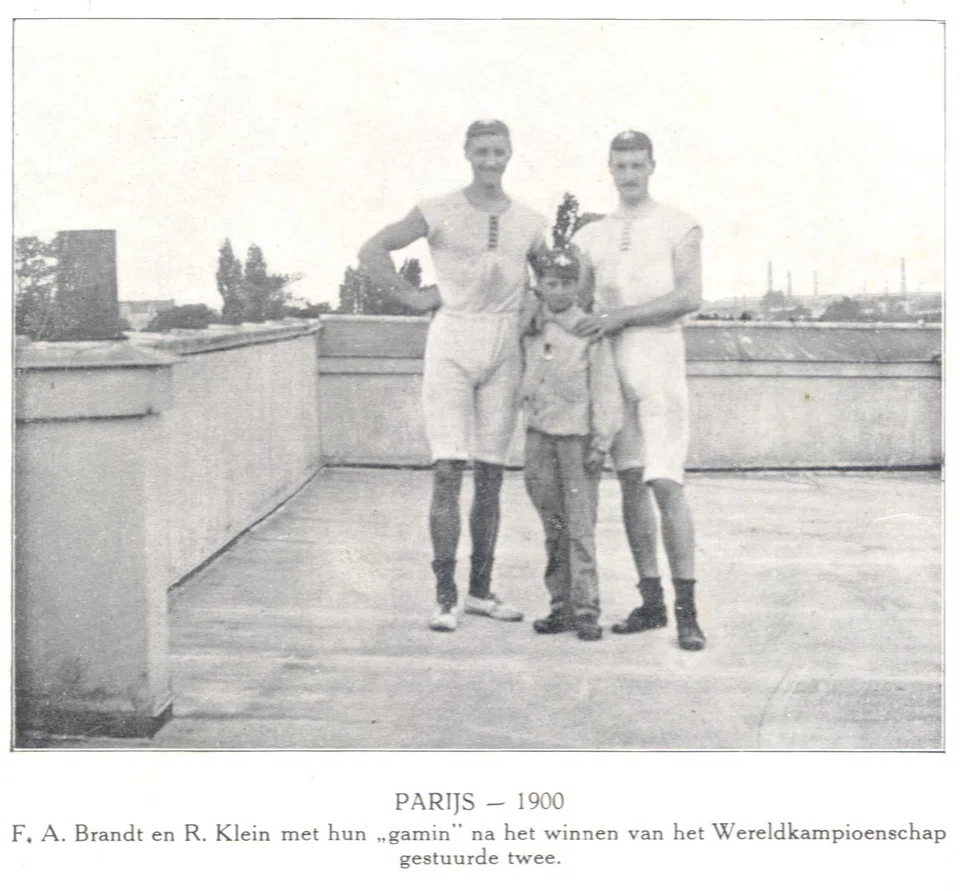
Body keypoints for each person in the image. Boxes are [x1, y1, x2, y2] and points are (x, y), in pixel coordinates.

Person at [358, 119, 548, 632]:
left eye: (499, 152)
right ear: (467, 153)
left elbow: (549, 280)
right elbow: (372, 251)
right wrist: (412, 297)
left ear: (510, 154)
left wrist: (532, 301)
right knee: (448, 470)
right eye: (482, 151)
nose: (491, 161)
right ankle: (445, 594)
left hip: (503, 343)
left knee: (490, 475)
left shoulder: (531, 220)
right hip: (452, 339)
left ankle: (481, 590)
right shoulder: (438, 208)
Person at [571, 130, 707, 650]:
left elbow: (689, 295)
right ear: (610, 168)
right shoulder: (591, 236)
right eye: (620, 166)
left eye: (637, 165)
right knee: (629, 481)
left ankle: (687, 610)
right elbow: (579, 306)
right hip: (611, 362)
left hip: (659, 356)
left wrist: (620, 316)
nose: (629, 174)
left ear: (652, 166)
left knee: (665, 483)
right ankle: (650, 601)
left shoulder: (680, 224)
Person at [520, 248, 623, 641]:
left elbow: (605, 389)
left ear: (578, 287)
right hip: (539, 437)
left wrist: (602, 441)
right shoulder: (530, 327)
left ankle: (586, 609)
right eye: (550, 283)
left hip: (577, 442)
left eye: (567, 283)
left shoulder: (587, 331)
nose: (559, 290)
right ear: (540, 286)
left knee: (580, 526)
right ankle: (559, 605)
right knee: (553, 524)